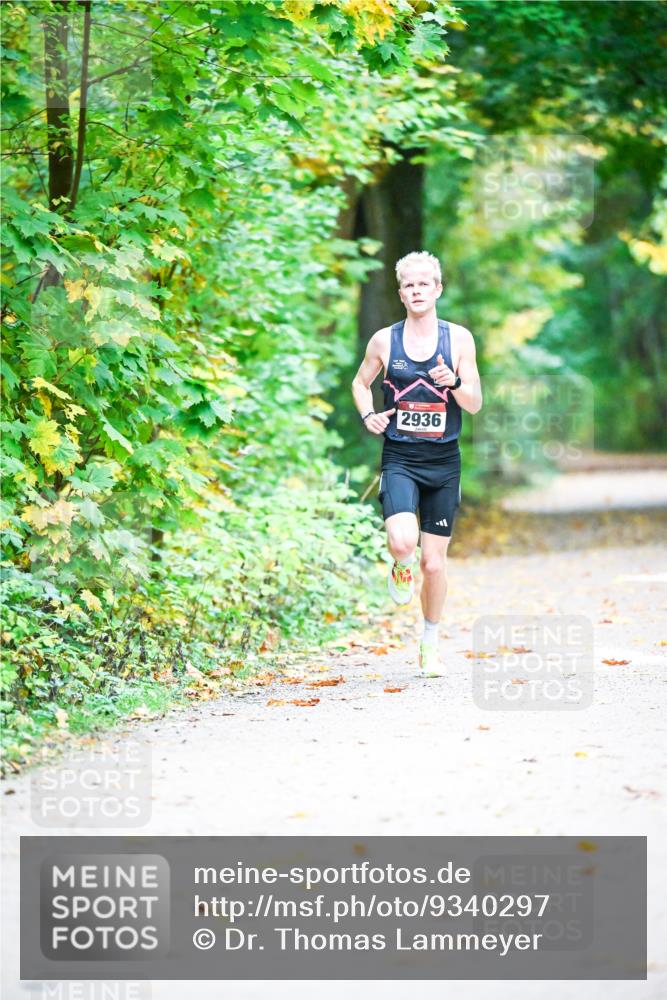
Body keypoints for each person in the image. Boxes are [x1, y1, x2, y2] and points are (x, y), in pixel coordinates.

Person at [351, 251, 482, 675]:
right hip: (402, 456)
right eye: (409, 285)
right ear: (401, 293)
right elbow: (360, 382)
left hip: (444, 461)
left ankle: (430, 642)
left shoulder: (459, 339)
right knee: (404, 544)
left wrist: (455, 382)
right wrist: (368, 414)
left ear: (438, 289)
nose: (417, 290)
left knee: (435, 562)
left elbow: (475, 404)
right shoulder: (384, 341)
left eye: (424, 283)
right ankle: (400, 565)